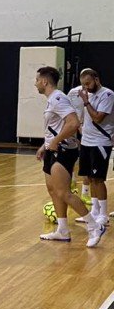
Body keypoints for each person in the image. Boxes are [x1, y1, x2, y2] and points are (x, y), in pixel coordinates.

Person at [34, 66, 103, 247]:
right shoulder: (52, 100)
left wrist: (56, 141)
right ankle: (62, 230)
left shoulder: (58, 98)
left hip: (63, 151)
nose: (35, 84)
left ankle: (94, 226)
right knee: (52, 190)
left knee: (64, 192)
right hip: (52, 150)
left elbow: (73, 123)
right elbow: (56, 127)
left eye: (37, 80)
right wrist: (44, 146)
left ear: (44, 81)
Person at [75, 68, 113, 228]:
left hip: (100, 142)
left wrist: (85, 101)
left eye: (88, 83)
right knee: (90, 178)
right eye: (83, 84)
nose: (86, 87)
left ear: (96, 79)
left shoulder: (108, 95)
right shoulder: (88, 95)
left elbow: (98, 118)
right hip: (87, 141)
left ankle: (103, 215)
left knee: (98, 179)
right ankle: (95, 211)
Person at [67, 82, 92, 201]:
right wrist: (78, 129)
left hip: (90, 129)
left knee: (88, 162)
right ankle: (71, 181)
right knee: (71, 156)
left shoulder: (100, 94)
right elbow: (72, 116)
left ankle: (85, 193)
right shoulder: (74, 93)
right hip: (77, 126)